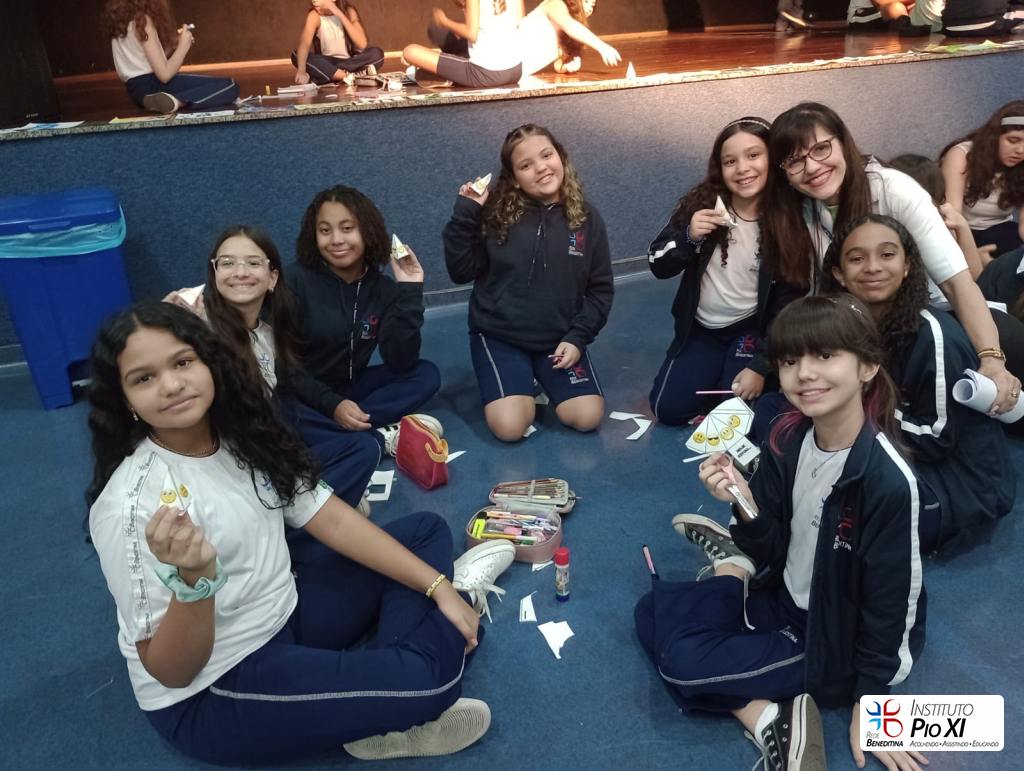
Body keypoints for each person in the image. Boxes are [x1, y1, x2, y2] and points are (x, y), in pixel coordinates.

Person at [85, 301, 516, 764]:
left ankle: (379, 703)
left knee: (425, 531)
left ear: (209, 361)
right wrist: (194, 583)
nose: (171, 385)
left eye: (183, 362)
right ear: (125, 400)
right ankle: (415, 666)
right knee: (428, 682)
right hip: (216, 684)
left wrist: (437, 588)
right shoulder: (129, 505)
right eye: (143, 378)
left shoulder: (241, 434)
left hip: (286, 612)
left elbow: (331, 519)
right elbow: (172, 672)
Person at [636, 295, 928, 771]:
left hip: (828, 641)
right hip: (781, 598)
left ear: (868, 366)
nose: (804, 373)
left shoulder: (887, 480)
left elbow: (894, 601)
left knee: (680, 662)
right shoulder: (788, 438)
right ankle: (766, 705)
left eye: (825, 355)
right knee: (650, 609)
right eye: (790, 361)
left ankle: (769, 715)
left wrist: (873, 703)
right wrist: (742, 501)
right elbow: (773, 543)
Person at [763, 101, 1022, 414]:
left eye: (821, 149)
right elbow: (822, 294)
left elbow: (957, 283)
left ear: (842, 142)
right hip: (875, 325)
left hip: (941, 316)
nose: (812, 167)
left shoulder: (895, 190)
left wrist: (992, 358)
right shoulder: (803, 211)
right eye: (795, 160)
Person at [164, 226, 380, 550]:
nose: (240, 272)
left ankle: (310, 519)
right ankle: (299, 535)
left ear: (272, 277)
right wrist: (172, 322)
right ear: (214, 272)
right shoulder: (195, 323)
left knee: (362, 448)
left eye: (253, 263)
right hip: (217, 470)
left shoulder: (266, 335)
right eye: (227, 263)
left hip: (256, 451)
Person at [823, 214, 1015, 548]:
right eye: (856, 259)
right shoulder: (848, 325)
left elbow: (936, 439)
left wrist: (854, 406)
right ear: (839, 273)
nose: (872, 267)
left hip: (958, 483)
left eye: (887, 255)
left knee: (842, 521)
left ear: (908, 266)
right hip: (894, 448)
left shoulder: (934, 335)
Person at [443, 123, 613, 441]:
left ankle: (536, 377)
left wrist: (577, 338)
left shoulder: (587, 218)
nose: (541, 167)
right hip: (500, 336)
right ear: (514, 179)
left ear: (561, 157)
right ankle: (520, 381)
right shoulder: (496, 215)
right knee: (510, 428)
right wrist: (464, 215)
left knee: (587, 417)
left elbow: (600, 290)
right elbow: (461, 271)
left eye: (547, 155)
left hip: (557, 338)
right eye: (526, 165)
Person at [647, 117, 806, 425]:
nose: (742, 168)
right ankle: (716, 373)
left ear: (772, 159)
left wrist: (760, 365)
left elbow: (790, 304)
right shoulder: (703, 205)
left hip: (750, 330)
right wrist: (689, 238)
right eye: (730, 161)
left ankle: (742, 375)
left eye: (753, 155)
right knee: (667, 410)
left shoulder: (787, 220)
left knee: (733, 417)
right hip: (700, 329)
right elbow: (657, 264)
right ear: (719, 168)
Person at [287, 185, 442, 458]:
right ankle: (372, 436)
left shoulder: (382, 289)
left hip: (350, 387)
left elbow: (401, 362)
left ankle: (340, 432)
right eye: (325, 230)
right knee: (278, 412)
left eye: (347, 228)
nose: (336, 240)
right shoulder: (294, 281)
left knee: (426, 375)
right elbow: (281, 366)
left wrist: (409, 291)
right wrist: (332, 405)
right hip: (301, 391)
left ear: (367, 231)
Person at [101, 0, 238, 114]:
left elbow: (145, 61)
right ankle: (176, 101)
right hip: (155, 85)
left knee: (210, 86)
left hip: (137, 92)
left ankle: (163, 101)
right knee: (230, 86)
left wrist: (174, 45)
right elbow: (164, 74)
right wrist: (183, 46)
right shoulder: (143, 22)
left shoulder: (122, 22)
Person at [940, 100, 1024, 258]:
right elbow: (952, 217)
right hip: (963, 232)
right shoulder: (962, 155)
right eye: (1013, 141)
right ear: (995, 137)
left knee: (1013, 246)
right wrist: (970, 257)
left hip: (1001, 232)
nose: (1020, 150)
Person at [403, 1, 524, 88]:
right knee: (447, 38)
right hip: (516, 70)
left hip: (485, 74)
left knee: (410, 51)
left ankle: (447, 77)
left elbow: (471, 33)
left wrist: (444, 21)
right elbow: (520, 21)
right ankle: (451, 72)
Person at [517, 0, 620, 78]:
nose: (589, 9)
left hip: (517, 74)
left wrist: (565, 67)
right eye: (586, 1)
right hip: (509, 60)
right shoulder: (555, 3)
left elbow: (557, 63)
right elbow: (570, 25)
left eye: (592, 5)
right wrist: (602, 47)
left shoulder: (570, 32)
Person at [292, 0, 384, 86]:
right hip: (328, 62)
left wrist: (338, 13)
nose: (314, 1)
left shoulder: (348, 11)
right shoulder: (314, 15)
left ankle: (331, 76)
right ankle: (349, 76)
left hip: (350, 62)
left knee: (377, 53)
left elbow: (362, 44)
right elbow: (304, 43)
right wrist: (301, 70)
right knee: (296, 55)